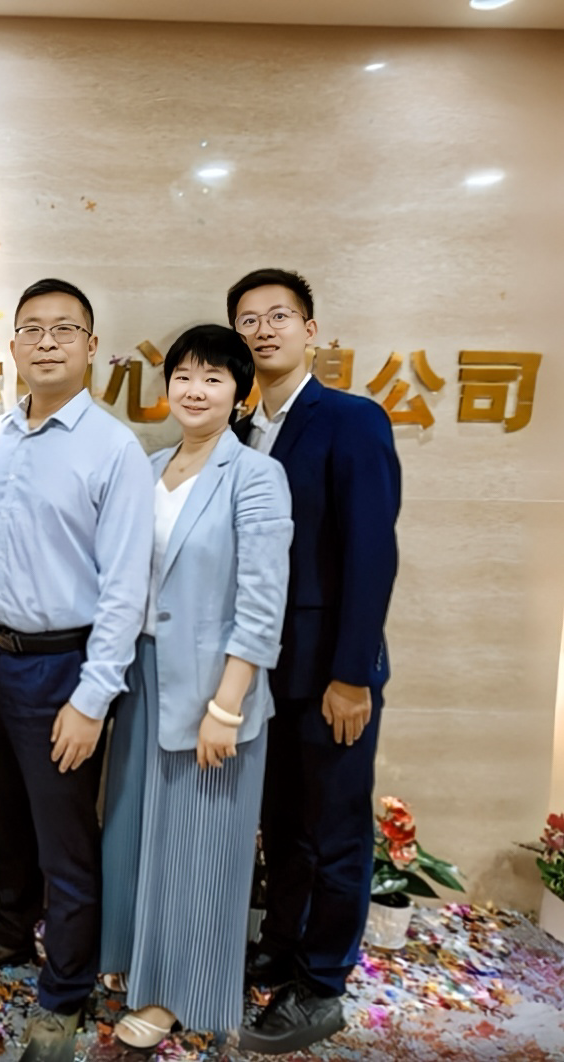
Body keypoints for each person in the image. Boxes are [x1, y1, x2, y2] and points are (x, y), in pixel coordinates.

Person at [0, 279, 151, 1062]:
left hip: (65, 667)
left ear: (91, 347)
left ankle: (64, 991)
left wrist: (92, 699)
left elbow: (126, 588)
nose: (47, 342)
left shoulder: (113, 450)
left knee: (65, 839)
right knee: (5, 817)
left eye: (65, 329)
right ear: (13, 346)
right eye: (31, 329)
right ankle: (7, 931)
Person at [98, 324, 293, 1050]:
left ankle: (177, 994)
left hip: (215, 689)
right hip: (141, 677)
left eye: (213, 378)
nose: (194, 389)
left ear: (239, 393)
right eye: (183, 375)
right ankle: (135, 961)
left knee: (199, 848)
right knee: (135, 832)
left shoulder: (256, 476)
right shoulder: (149, 467)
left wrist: (227, 705)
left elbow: (262, 603)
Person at [228, 269, 401, 1055]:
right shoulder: (238, 431)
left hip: (330, 671)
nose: (263, 330)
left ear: (310, 330)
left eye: (278, 316)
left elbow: (370, 553)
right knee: (282, 827)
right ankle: (281, 947)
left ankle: (322, 982)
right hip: (262, 672)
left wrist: (352, 674)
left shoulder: (350, 420)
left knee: (334, 833)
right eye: (248, 320)